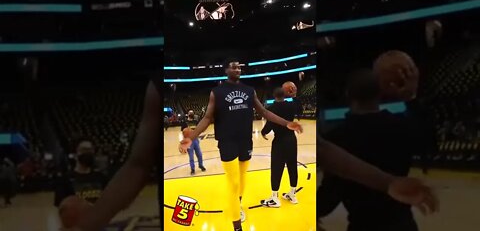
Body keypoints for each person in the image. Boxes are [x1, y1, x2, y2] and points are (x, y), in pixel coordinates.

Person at [65, 66, 438, 231]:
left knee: (240, 192)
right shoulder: (189, 88)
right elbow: (137, 165)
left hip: (242, 154)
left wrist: (387, 181)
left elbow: (316, 146)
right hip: (222, 159)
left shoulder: (252, 95)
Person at [178, 59, 303, 231]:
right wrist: (191, 137)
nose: (238, 69)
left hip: (246, 141)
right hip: (227, 141)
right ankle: (236, 225)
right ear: (226, 70)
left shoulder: (249, 90)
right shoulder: (217, 92)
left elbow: (265, 112)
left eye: (239, 66)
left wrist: (286, 123)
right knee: (233, 183)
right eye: (233, 66)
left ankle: (238, 206)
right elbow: (207, 118)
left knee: (242, 181)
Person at [317, 69, 421, 231]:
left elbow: (332, 192)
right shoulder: (402, 126)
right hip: (403, 223)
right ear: (380, 93)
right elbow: (428, 142)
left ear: (348, 94)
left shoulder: (338, 137)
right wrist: (411, 95)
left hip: (363, 224)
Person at [260, 87, 300, 207]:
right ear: (285, 95)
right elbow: (299, 109)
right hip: (292, 140)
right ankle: (292, 194)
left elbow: (269, 125)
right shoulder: (291, 106)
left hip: (279, 141)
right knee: (292, 166)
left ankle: (274, 198)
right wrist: (294, 95)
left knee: (276, 168)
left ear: (274, 96)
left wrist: (263, 132)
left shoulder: (271, 109)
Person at [54, 140, 107, 207]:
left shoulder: (101, 177)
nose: (88, 153)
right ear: (75, 154)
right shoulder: (64, 180)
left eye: (90, 150)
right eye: (84, 150)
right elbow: (61, 207)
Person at [181, 110, 206, 175]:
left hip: (195, 140)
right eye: (190, 113)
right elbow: (183, 132)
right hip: (189, 141)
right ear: (188, 114)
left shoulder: (196, 122)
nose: (191, 114)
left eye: (192, 113)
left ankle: (201, 165)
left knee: (199, 155)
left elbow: (199, 129)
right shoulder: (184, 123)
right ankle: (192, 169)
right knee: (191, 157)